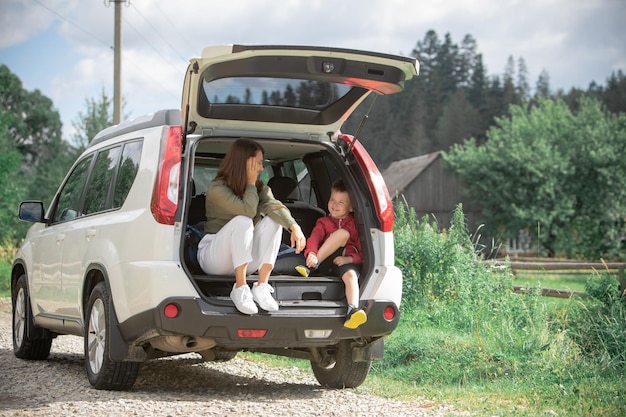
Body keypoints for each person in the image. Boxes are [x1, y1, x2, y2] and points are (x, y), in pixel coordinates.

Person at [196, 139, 306, 315]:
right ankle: (240, 288)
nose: (261, 168)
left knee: (273, 220)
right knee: (243, 220)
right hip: (214, 259)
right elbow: (247, 211)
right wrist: (250, 183)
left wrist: (294, 227)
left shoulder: (259, 188)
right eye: (259, 163)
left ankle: (261, 286)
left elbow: (275, 206)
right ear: (244, 162)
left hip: (245, 259)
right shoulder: (217, 189)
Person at [295, 180, 367, 329]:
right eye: (332, 200)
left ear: (351, 207)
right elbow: (314, 238)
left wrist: (350, 259)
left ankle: (352, 309)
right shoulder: (323, 222)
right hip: (325, 261)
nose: (335, 205)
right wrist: (312, 254)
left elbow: (363, 252)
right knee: (341, 234)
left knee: (351, 276)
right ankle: (311, 266)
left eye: (341, 202)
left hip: (344, 263)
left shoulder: (354, 224)